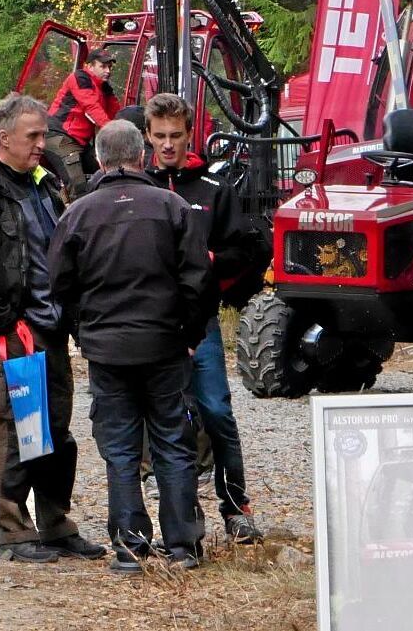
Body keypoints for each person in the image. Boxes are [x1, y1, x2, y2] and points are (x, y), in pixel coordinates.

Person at [48, 119, 211, 572]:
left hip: (109, 349)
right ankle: (182, 546)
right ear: (142, 156)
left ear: (99, 160)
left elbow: (59, 285)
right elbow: (198, 280)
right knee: (173, 443)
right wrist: (190, 336)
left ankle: (129, 546)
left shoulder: (78, 214)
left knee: (119, 449)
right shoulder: (172, 206)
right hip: (165, 344)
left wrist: (85, 334)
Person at [0, 93, 103, 564]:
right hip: (13, 334)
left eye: (43, 134)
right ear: (4, 139)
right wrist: (7, 324)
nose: (42, 143)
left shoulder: (43, 184)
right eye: (33, 136)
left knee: (57, 430)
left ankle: (56, 524)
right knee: (17, 431)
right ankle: (15, 532)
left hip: (52, 329)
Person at [142, 93, 268, 544]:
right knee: (163, 417)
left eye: (176, 136)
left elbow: (249, 250)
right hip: (152, 323)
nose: (168, 145)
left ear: (189, 134)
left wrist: (211, 260)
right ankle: (177, 515)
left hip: (202, 322)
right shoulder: (140, 187)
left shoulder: (214, 189)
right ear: (147, 136)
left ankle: (236, 507)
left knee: (215, 410)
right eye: (159, 137)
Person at [46, 45, 122, 197]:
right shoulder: (80, 78)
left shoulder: (104, 87)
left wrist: (127, 129)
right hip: (59, 135)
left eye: (109, 67)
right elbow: (91, 106)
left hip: (79, 140)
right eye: (103, 66)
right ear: (90, 66)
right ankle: (76, 216)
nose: (108, 71)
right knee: (77, 183)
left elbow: (117, 112)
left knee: (103, 175)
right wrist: (113, 131)